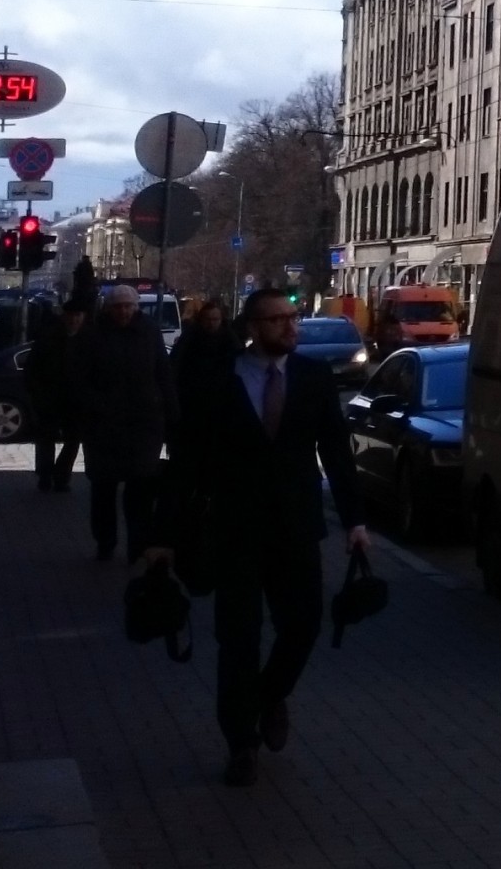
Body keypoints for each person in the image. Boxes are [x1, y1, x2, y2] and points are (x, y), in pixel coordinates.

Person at [160, 289, 368, 789]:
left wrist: (356, 521)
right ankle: (241, 744)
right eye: (278, 320)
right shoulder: (218, 379)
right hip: (234, 529)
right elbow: (187, 460)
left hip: (296, 527)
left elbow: (335, 450)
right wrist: (163, 533)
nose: (290, 327)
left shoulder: (313, 377)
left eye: (293, 318)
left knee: (303, 625)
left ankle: (270, 695)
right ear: (252, 327)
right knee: (238, 639)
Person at [67, 281, 174, 561]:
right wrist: (95, 406)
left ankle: (137, 545)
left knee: (141, 490)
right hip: (103, 426)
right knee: (103, 488)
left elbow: (163, 372)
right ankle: (105, 540)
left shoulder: (149, 331)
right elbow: (78, 379)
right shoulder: (93, 335)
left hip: (143, 424)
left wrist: (170, 412)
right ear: (109, 309)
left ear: (136, 307)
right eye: (118, 307)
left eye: (128, 306)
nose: (124, 311)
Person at [25, 299, 85, 493]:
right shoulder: (48, 338)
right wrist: (37, 394)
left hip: (75, 400)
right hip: (49, 398)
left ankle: (61, 476)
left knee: (73, 439)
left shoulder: (87, 340)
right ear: (64, 316)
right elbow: (31, 368)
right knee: (46, 439)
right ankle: (45, 476)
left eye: (78, 316)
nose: (74, 320)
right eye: (71, 316)